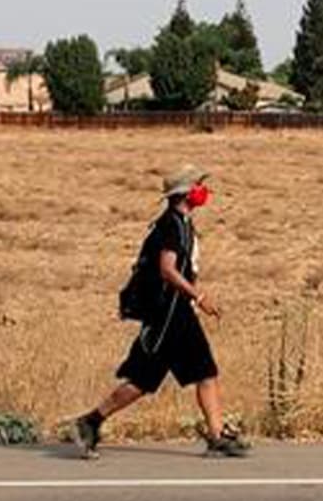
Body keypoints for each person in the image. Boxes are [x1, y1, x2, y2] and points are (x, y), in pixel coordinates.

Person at [68, 164, 248, 459]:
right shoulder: (171, 225)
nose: (204, 190)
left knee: (190, 373)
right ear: (186, 192)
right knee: (155, 378)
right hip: (168, 316)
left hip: (176, 312)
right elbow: (167, 269)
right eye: (199, 185)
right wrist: (198, 296)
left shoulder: (182, 223)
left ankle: (216, 435)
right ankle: (90, 421)